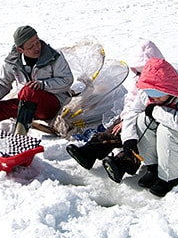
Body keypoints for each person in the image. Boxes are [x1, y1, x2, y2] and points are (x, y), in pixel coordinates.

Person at [102, 57, 178, 197]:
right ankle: (153, 168)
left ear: (169, 89)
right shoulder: (148, 94)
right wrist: (129, 139)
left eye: (158, 95)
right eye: (151, 94)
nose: (154, 99)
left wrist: (156, 111)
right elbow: (132, 113)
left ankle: (169, 178)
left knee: (168, 129)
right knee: (142, 119)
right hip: (176, 138)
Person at [65, 40, 164, 171]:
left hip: (152, 123)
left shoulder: (164, 83)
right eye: (139, 72)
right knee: (115, 129)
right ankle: (89, 152)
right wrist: (124, 119)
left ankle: (122, 164)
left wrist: (131, 121)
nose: (141, 75)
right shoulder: (138, 81)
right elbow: (131, 101)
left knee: (137, 138)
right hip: (134, 116)